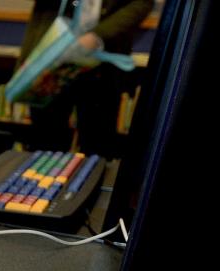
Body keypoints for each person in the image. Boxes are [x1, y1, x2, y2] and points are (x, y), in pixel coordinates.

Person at [22, 0, 154, 157]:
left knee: (97, 146)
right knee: (44, 143)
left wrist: (98, 35)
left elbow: (141, 3)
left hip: (102, 63)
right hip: (49, 55)